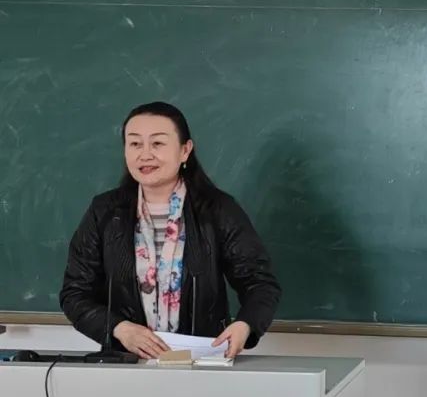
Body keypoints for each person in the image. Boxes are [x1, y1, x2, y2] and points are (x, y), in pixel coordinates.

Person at [59, 101, 281, 360]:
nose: (145, 154)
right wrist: (119, 328)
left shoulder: (218, 210)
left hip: (200, 362)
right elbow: (75, 294)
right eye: (135, 144)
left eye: (157, 143)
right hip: (126, 363)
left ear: (185, 150)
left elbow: (259, 283)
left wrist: (246, 325)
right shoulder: (104, 212)